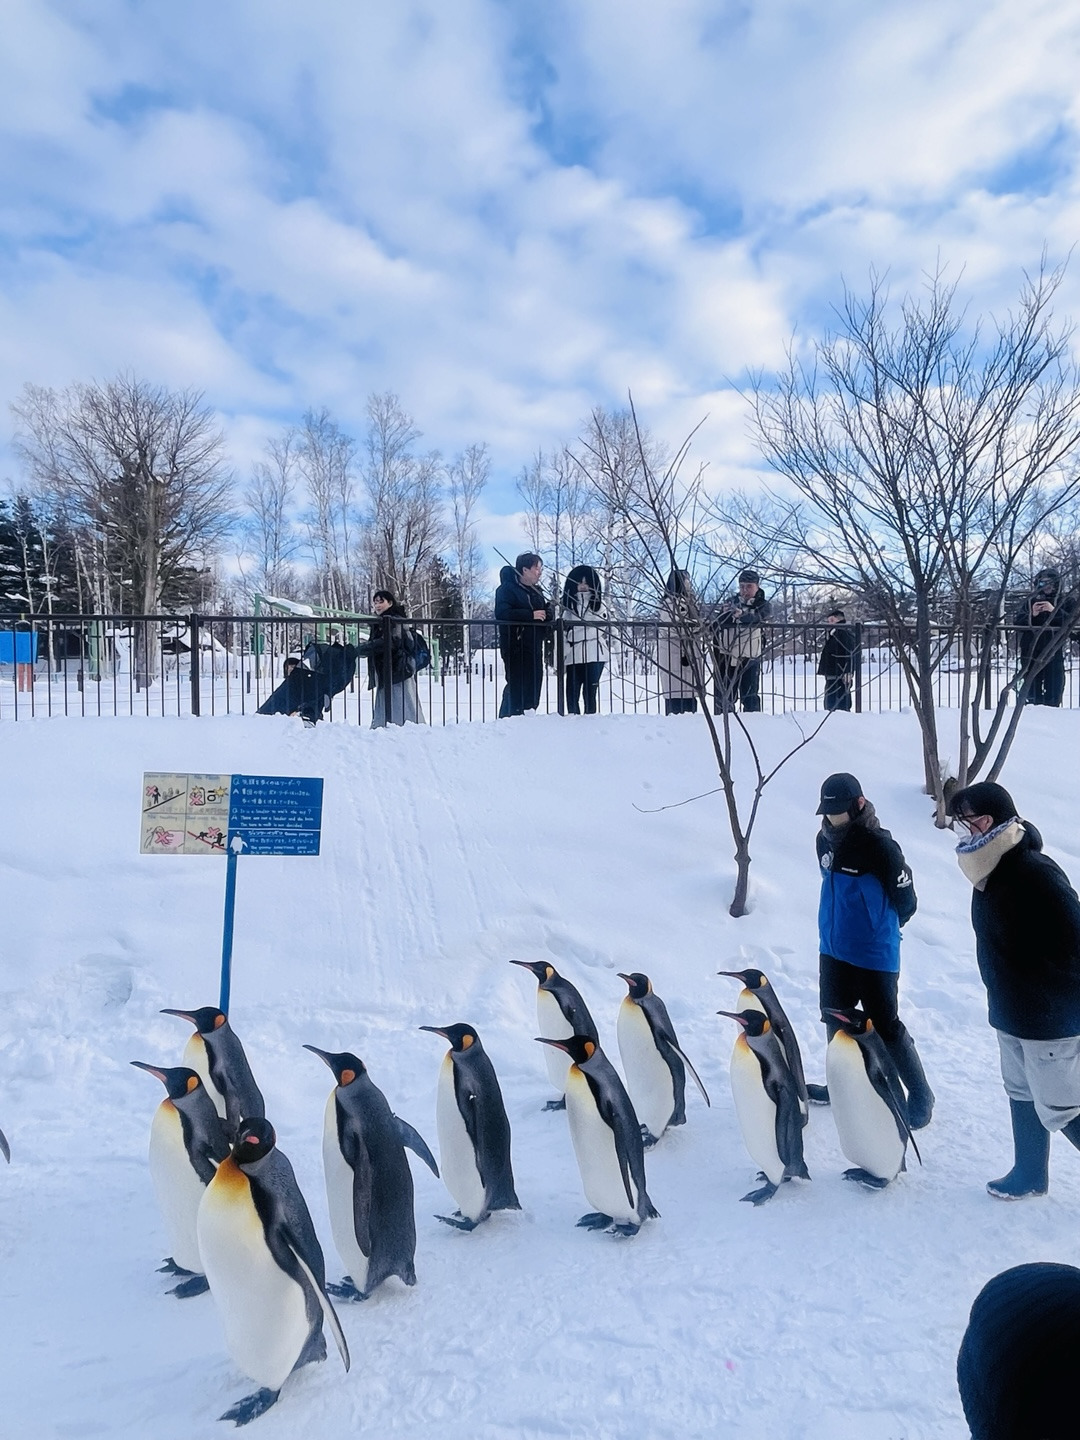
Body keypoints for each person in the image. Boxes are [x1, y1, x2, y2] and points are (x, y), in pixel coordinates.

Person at [949, 781, 1080, 1198]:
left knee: (1061, 1108)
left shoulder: (1033, 873)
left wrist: (1056, 996)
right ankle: (1029, 1174)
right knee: (1020, 1092)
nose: (960, 834)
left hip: (1049, 1017)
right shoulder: (990, 869)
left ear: (986, 822)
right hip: (1010, 1009)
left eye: (963, 825)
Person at [807, 771, 934, 1128]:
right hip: (833, 949)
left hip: (875, 954)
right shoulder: (824, 841)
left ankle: (921, 1092)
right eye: (827, 814)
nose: (832, 821)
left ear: (859, 805)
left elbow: (906, 901)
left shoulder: (881, 847)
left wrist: (881, 929)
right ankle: (842, 1084)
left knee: (885, 1024)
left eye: (838, 813)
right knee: (834, 1019)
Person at [494, 553, 553, 717]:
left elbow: (546, 610)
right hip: (515, 646)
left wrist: (548, 614)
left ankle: (529, 719)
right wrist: (530, 615)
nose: (539, 572)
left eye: (540, 569)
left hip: (534, 645)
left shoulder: (537, 591)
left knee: (534, 687)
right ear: (525, 569)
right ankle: (508, 720)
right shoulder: (506, 589)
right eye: (536, 568)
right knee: (516, 686)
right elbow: (502, 613)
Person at [355, 591, 424, 728]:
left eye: (381, 601)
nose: (377, 605)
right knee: (398, 700)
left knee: (402, 700)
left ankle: (404, 728)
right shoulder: (384, 621)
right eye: (375, 602)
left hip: (397, 669)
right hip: (390, 669)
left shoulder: (393, 620)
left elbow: (390, 642)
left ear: (390, 603)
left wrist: (360, 650)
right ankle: (393, 727)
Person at [710, 568, 771, 713]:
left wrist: (742, 615)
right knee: (725, 696)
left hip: (750, 655)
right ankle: (723, 725)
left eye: (749, 586)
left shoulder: (763, 604)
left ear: (757, 586)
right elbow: (715, 626)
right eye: (742, 586)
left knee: (750, 695)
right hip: (728, 654)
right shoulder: (731, 601)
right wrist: (724, 614)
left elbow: (758, 618)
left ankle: (753, 726)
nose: (745, 590)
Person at [1014, 568, 1072, 707]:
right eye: (1042, 583)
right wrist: (1032, 614)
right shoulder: (1030, 602)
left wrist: (1054, 611)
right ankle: (1031, 712)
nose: (1046, 586)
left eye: (1050, 583)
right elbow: (1018, 623)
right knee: (1031, 686)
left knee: (1054, 686)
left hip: (1054, 649)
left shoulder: (1066, 601)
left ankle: (1051, 713)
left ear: (1057, 584)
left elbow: (1072, 623)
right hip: (1030, 650)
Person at [560, 565, 608, 715]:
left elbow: (599, 629)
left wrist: (574, 634)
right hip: (573, 655)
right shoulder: (568, 606)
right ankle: (573, 724)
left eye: (586, 583)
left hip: (595, 654)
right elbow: (563, 629)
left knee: (590, 694)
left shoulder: (600, 605)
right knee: (571, 694)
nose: (582, 586)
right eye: (579, 583)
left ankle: (591, 723)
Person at [656, 569, 700, 715]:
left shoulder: (690, 602)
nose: (689, 583)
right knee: (677, 699)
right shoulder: (669, 603)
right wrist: (696, 627)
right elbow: (671, 628)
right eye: (686, 580)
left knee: (689, 698)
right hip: (675, 655)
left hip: (687, 656)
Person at [817, 609, 858, 712]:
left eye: (831, 620)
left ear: (839, 619)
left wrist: (848, 671)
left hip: (838, 674)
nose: (829, 623)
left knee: (836, 703)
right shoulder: (836, 633)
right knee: (835, 702)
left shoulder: (842, 633)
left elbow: (849, 653)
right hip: (836, 673)